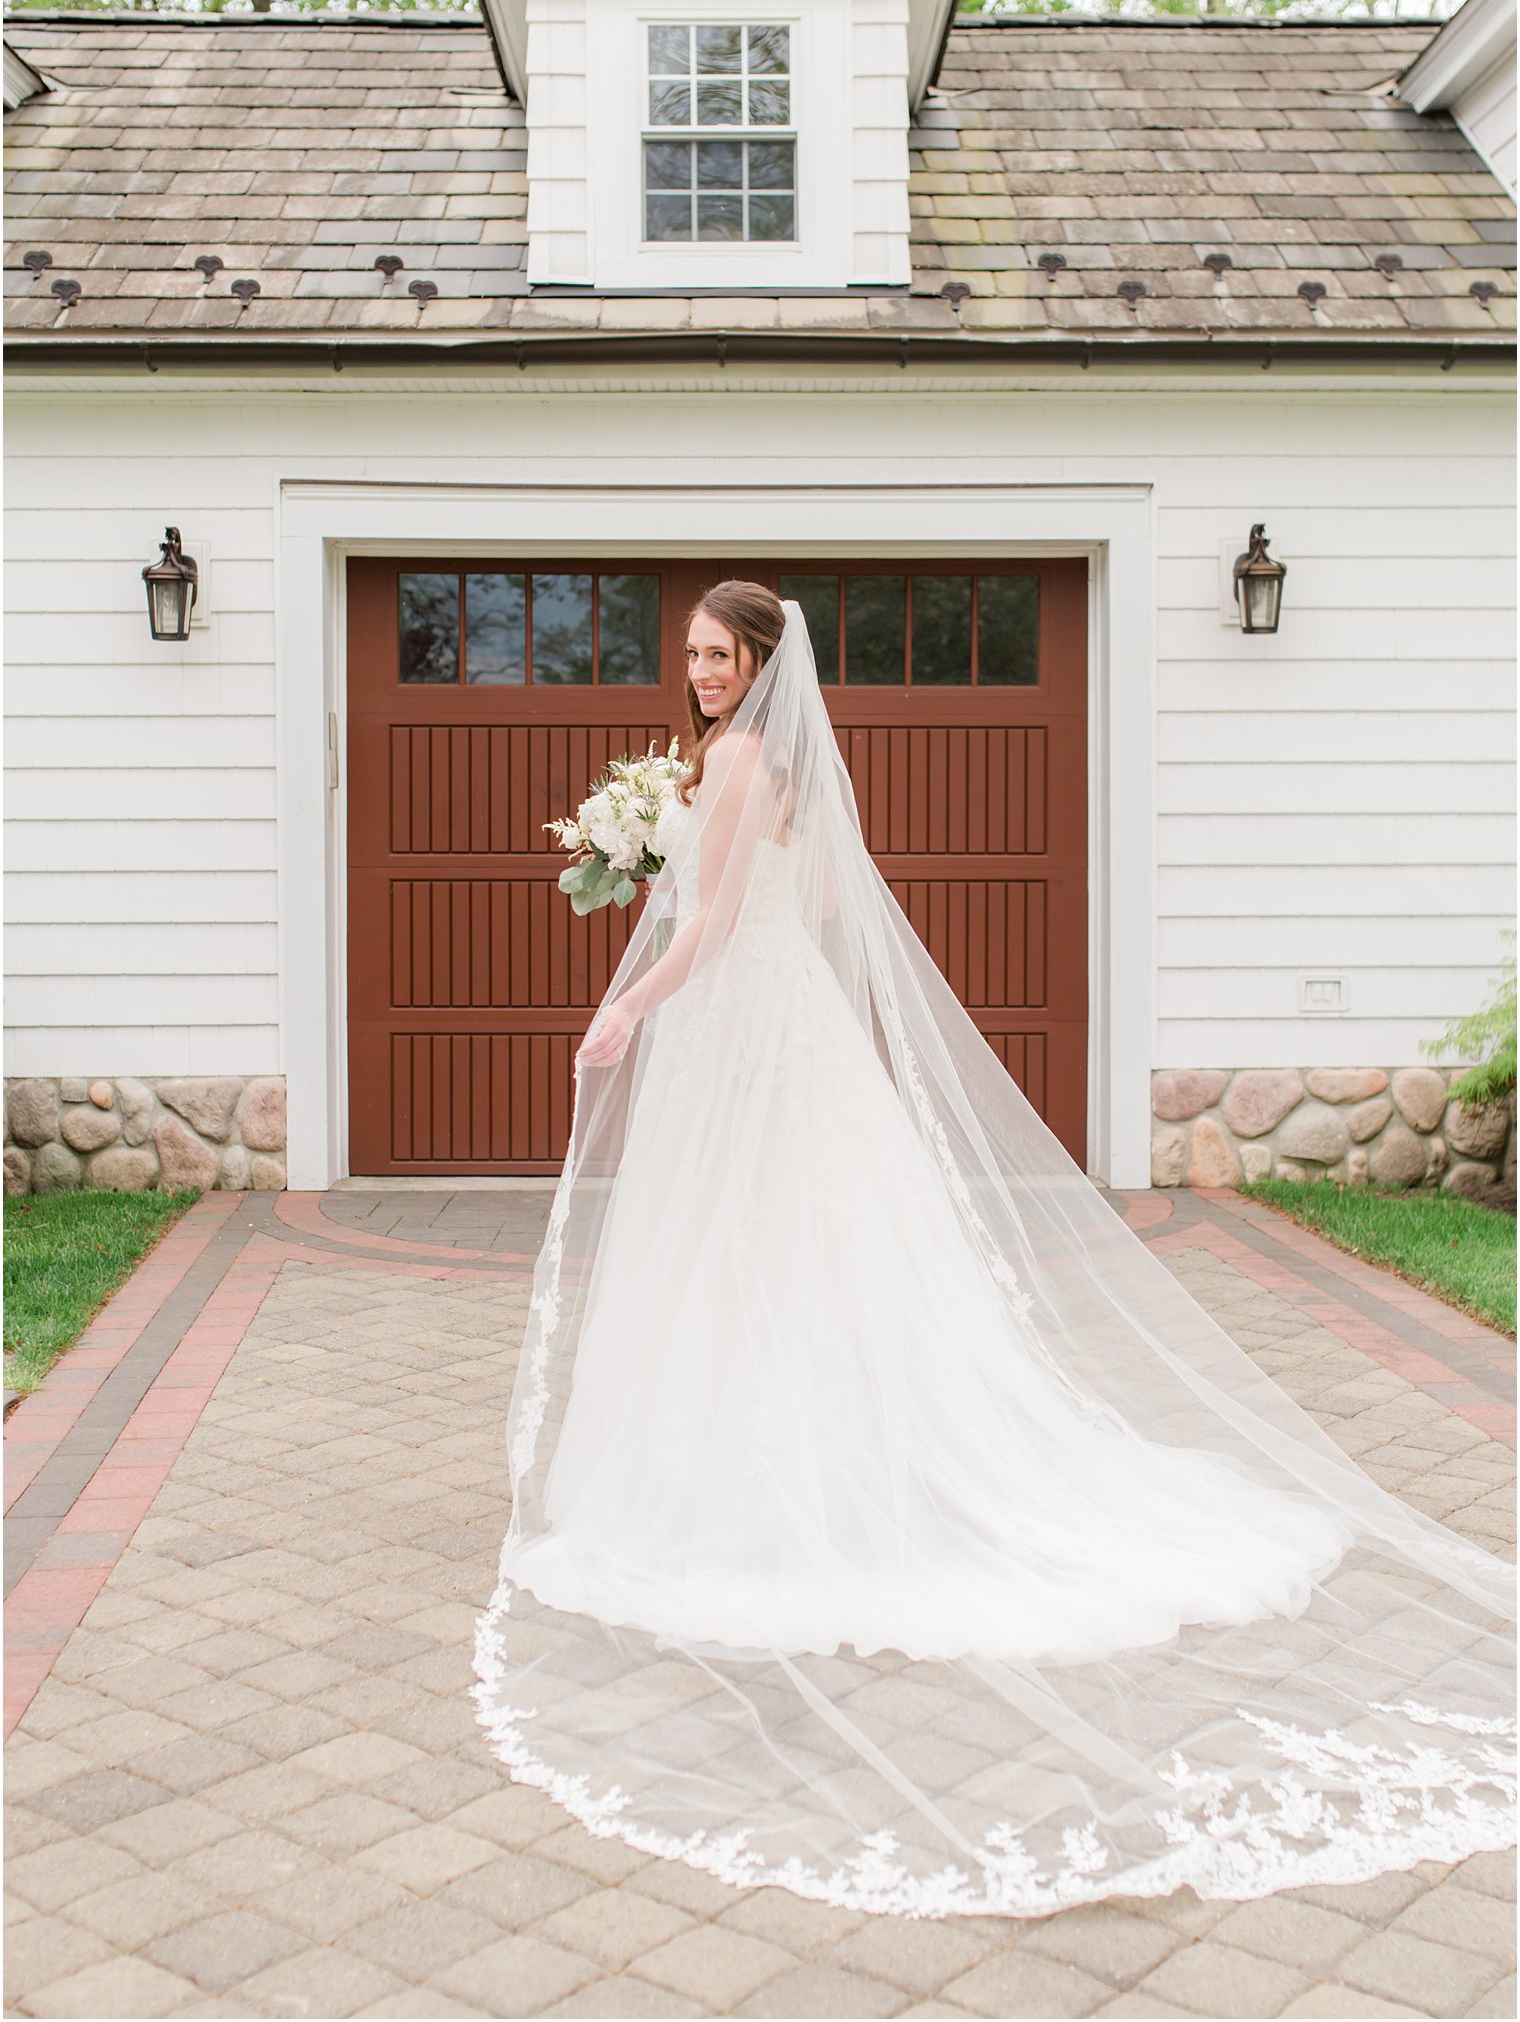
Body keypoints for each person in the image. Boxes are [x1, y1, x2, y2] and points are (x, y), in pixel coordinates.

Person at [474, 581, 1516, 1921]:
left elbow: (718, 923)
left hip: (743, 1021)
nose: (703, 671)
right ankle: (834, 1457)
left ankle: (771, 1487)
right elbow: (782, 905)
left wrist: (628, 1003)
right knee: (792, 1252)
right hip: (779, 1024)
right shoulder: (771, 764)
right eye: (691, 655)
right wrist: (651, 864)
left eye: (721, 655)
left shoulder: (733, 761)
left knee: (750, 1249)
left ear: (761, 664)